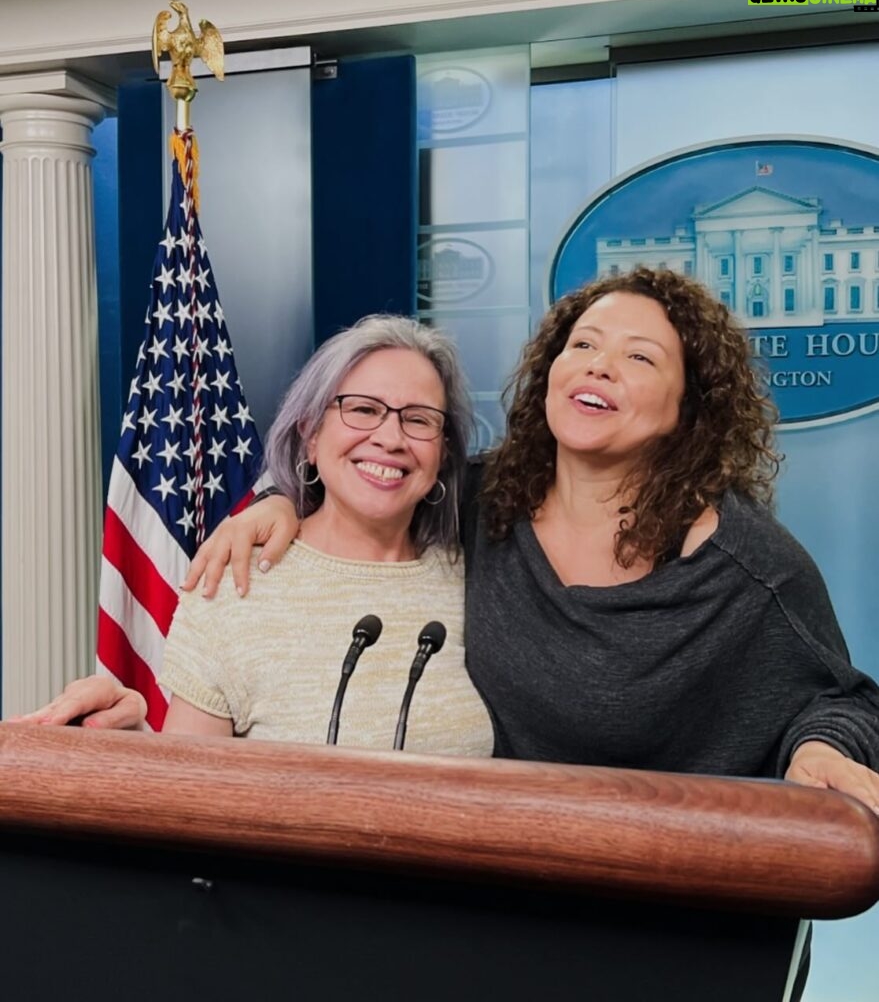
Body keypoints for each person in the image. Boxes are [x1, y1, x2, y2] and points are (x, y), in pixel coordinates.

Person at [20, 270, 879, 811]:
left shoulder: (747, 566)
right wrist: (276, 501)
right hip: (487, 898)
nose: (599, 365)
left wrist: (816, 749)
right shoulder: (486, 504)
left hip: (667, 909)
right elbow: (371, 469)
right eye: (581, 344)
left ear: (690, 409)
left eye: (639, 357)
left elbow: (840, 699)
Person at [16, 316, 494, 756]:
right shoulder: (234, 581)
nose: (391, 438)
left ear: (443, 451)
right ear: (310, 434)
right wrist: (126, 741)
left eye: (418, 419)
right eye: (363, 409)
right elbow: (192, 792)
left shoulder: (480, 570)